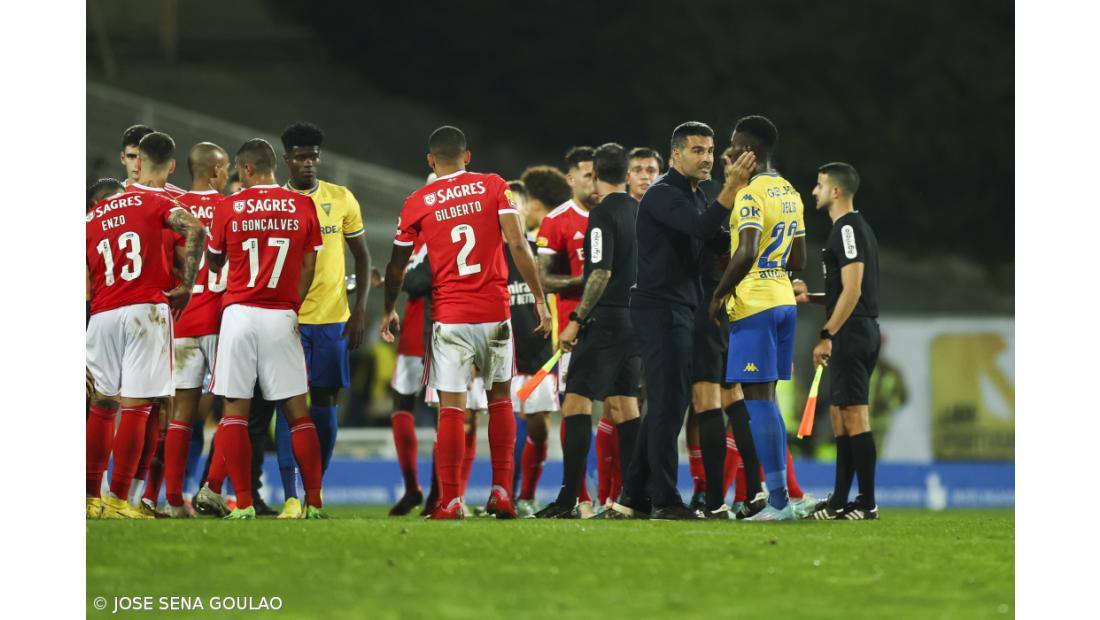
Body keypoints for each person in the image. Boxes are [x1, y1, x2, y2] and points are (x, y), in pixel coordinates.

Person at [379, 126, 551, 520]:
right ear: (467, 156)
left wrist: (390, 308)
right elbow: (518, 243)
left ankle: (451, 500)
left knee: (452, 409)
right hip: (494, 312)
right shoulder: (494, 186)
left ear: (430, 161)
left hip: (450, 318)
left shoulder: (418, 201)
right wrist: (540, 299)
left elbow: (396, 265)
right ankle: (502, 492)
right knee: (501, 401)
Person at [601, 122, 755, 520]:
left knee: (666, 406)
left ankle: (632, 496)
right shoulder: (663, 194)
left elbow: (714, 238)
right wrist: (732, 188)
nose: (706, 157)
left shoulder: (695, 194)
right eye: (698, 150)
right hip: (659, 308)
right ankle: (665, 500)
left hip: (679, 308)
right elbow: (703, 229)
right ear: (675, 156)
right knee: (669, 407)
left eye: (710, 150)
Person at [197, 138, 328, 520]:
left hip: (239, 314)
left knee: (234, 412)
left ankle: (244, 503)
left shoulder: (229, 206)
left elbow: (216, 261)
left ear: (247, 170)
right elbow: (308, 266)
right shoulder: (302, 204)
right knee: (298, 414)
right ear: (273, 166)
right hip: (281, 315)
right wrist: (293, 305)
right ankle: (315, 502)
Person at [85, 177, 206, 519]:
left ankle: (90, 499)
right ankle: (119, 500)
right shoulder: (146, 203)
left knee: (102, 405)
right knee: (139, 408)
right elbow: (195, 229)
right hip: (145, 311)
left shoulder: (87, 223)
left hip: (101, 316)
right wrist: (186, 285)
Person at [533, 143, 643, 519]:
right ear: (627, 175)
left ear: (595, 176)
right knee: (626, 406)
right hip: (634, 318)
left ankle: (568, 500)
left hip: (604, 319)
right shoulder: (639, 211)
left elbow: (600, 272)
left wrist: (578, 319)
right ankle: (633, 497)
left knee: (576, 402)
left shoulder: (602, 215)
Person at [707, 115, 807, 521]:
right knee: (766, 401)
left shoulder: (750, 195)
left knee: (757, 402)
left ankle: (780, 501)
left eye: (733, 145)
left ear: (750, 151)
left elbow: (746, 250)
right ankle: (783, 496)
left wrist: (718, 294)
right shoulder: (790, 192)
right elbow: (797, 258)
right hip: (783, 299)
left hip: (755, 305)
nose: (728, 153)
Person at [271, 122, 371, 519]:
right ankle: (291, 495)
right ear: (287, 159)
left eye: (313, 156)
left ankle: (317, 489)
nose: (308, 163)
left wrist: (360, 309)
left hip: (332, 318)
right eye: (300, 156)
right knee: (288, 403)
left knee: (326, 401)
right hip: (287, 318)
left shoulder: (341, 197)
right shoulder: (275, 202)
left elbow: (362, 256)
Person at [795, 162, 881, 520]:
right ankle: (840, 501)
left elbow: (854, 289)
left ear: (835, 191)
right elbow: (845, 291)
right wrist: (812, 298)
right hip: (853, 327)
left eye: (818, 185)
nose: (813, 191)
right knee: (842, 417)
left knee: (856, 417)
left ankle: (867, 503)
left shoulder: (847, 229)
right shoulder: (848, 229)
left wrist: (827, 333)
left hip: (853, 332)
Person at [161, 142, 231, 518]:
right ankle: (212, 488)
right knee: (234, 408)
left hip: (182, 319)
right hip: (220, 320)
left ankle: (173, 501)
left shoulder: (174, 210)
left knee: (181, 415)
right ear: (217, 171)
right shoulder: (228, 207)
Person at [535, 146, 600, 516]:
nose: (593, 181)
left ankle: (618, 495)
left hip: (617, 325)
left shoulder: (616, 214)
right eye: (586, 175)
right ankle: (579, 496)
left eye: (597, 174)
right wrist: (586, 281)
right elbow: (544, 278)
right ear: (570, 179)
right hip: (572, 328)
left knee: (624, 406)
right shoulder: (557, 221)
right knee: (575, 406)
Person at [514, 166, 572, 515]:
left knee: (541, 422)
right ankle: (509, 494)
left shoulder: (546, 246)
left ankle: (533, 493)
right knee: (519, 419)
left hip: (548, 352)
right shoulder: (510, 245)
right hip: (512, 350)